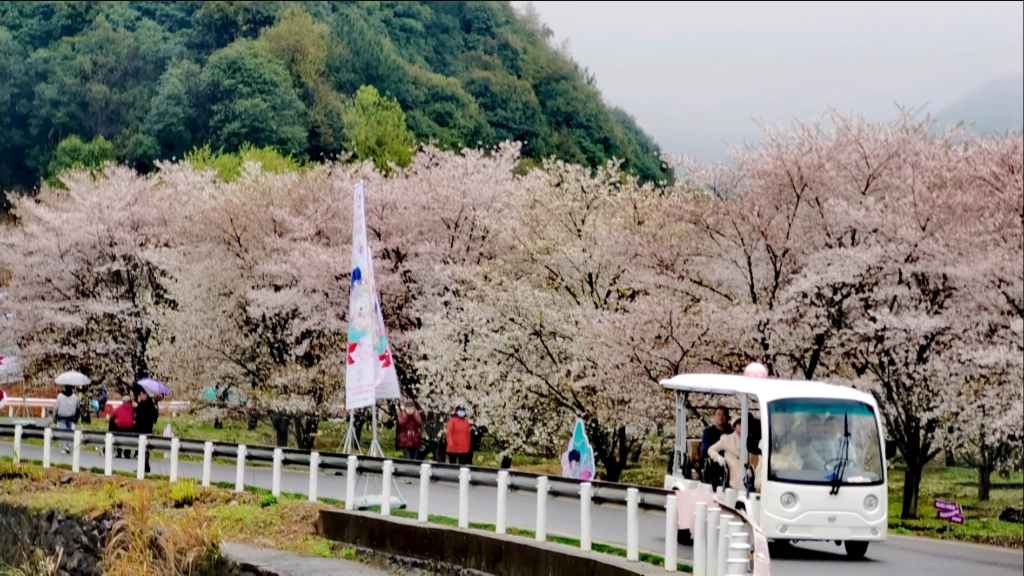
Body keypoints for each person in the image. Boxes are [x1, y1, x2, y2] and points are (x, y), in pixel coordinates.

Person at [708, 417, 746, 491]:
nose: (742, 425)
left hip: (748, 468)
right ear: (734, 427)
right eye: (739, 423)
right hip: (734, 470)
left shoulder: (749, 439)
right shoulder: (727, 439)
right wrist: (719, 459)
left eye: (743, 423)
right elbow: (711, 449)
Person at [132, 386, 159, 473]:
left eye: (141, 394)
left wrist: (137, 405)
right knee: (143, 449)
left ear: (146, 395)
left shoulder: (147, 405)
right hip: (146, 429)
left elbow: (141, 415)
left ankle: (144, 466)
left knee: (143, 449)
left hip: (144, 429)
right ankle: (145, 466)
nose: (140, 396)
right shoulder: (150, 405)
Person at [53, 385, 80, 454]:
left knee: (63, 433)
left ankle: (63, 447)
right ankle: (68, 446)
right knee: (69, 432)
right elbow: (78, 409)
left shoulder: (60, 396)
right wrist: (76, 419)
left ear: (65, 387)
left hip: (62, 416)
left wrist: (54, 418)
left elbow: (56, 407)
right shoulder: (75, 397)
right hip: (71, 417)